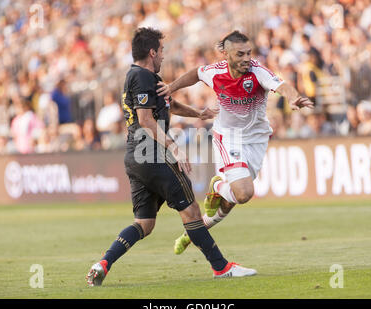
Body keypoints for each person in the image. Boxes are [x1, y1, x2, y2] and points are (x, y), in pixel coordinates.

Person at [86, 27, 257, 287]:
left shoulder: (144, 77)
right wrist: (173, 146)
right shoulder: (142, 76)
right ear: (152, 51)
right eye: (162, 51)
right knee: (191, 211)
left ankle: (103, 263)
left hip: (135, 157)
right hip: (151, 153)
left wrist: (198, 113)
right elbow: (145, 120)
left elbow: (170, 104)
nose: (164, 56)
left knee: (144, 223)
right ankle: (221, 268)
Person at [157, 30, 313, 254]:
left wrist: (291, 97)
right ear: (226, 54)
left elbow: (282, 86)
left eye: (249, 53)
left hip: (257, 139)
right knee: (243, 193)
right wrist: (171, 87)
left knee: (230, 203)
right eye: (240, 54)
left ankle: (191, 233)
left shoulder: (258, 72)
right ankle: (218, 186)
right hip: (229, 137)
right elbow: (196, 74)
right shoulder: (215, 72)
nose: (247, 58)